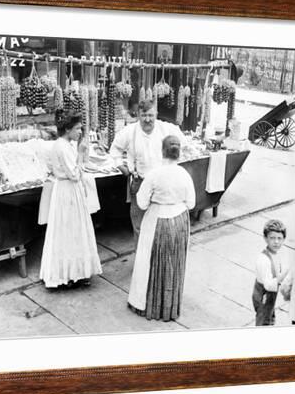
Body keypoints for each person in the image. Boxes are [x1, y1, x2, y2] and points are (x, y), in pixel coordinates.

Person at [127, 135, 196, 321]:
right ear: (178, 152)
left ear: (162, 151)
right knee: (174, 264)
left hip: (157, 220)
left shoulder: (153, 175)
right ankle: (169, 307)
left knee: (150, 262)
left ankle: (148, 304)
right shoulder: (185, 174)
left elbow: (141, 204)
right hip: (180, 222)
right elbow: (191, 203)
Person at [39, 112, 102, 289]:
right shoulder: (63, 147)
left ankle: (74, 272)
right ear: (67, 129)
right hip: (67, 190)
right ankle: (68, 274)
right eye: (77, 128)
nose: (80, 131)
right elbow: (74, 174)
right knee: (69, 229)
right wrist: (81, 155)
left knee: (71, 229)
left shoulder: (64, 144)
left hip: (67, 189)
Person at [109, 100, 187, 242]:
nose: (147, 119)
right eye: (144, 115)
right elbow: (114, 149)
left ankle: (155, 261)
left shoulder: (166, 129)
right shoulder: (129, 131)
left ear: (156, 114)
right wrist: (121, 166)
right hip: (140, 183)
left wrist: (173, 165)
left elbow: (184, 143)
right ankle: (141, 262)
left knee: (160, 225)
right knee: (139, 226)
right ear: (138, 114)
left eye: (151, 115)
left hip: (162, 185)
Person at [252, 219, 289, 326]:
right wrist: (286, 272)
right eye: (272, 238)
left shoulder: (275, 253)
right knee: (264, 321)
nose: (276, 242)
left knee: (270, 316)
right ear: (265, 238)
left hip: (269, 296)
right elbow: (269, 285)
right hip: (263, 295)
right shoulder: (264, 260)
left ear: (284, 239)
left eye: (279, 238)